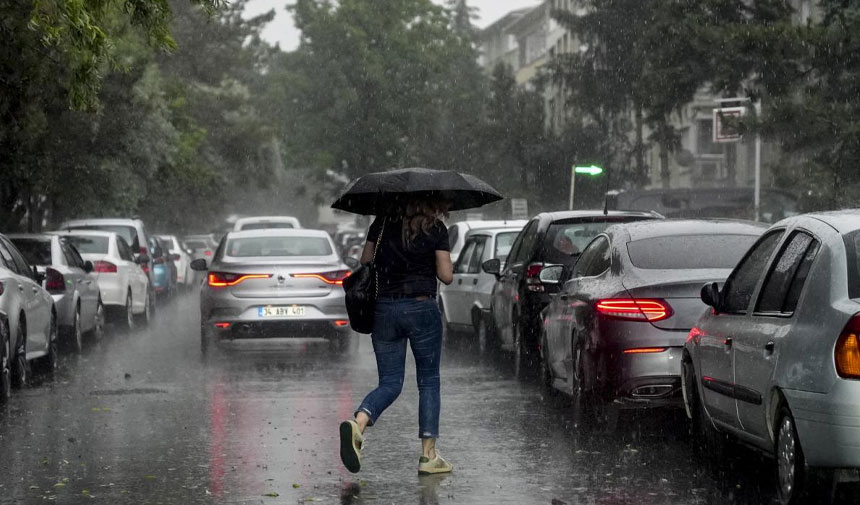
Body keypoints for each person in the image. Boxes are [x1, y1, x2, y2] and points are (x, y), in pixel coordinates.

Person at [339, 198, 454, 476]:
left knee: (390, 382)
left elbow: (366, 261)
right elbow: (446, 276)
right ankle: (428, 456)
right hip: (422, 307)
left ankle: (360, 422)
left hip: (385, 309)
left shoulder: (381, 225)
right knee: (428, 381)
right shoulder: (436, 228)